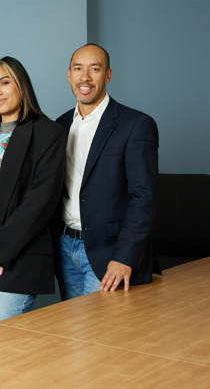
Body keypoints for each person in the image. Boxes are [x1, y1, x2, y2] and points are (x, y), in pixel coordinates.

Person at [0, 56, 66, 331]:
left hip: (15, 244)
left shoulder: (48, 133)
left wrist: (0, 247)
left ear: (21, 84)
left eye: (4, 83)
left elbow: (41, 201)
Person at [54, 43, 159, 299]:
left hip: (111, 253)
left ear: (108, 75)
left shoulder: (136, 125)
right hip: (66, 248)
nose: (85, 77)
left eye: (95, 69)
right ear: (69, 74)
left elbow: (144, 198)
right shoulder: (59, 126)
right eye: (78, 69)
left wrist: (125, 257)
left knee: (104, 324)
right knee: (72, 324)